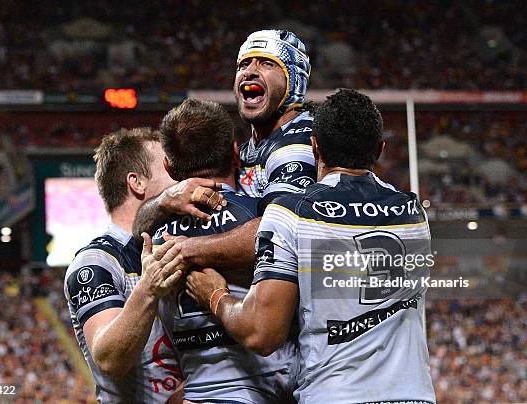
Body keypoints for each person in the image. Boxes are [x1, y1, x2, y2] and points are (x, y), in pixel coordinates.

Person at [185, 90, 437, 403]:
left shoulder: (292, 213)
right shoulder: (413, 214)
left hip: (335, 395)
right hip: (415, 396)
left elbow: (262, 333)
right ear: (380, 150)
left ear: (314, 146)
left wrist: (215, 295)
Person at [133, 29, 316, 272]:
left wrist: (185, 250)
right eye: (244, 64)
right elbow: (138, 229)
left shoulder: (299, 143)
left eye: (267, 63)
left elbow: (279, 235)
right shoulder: (252, 148)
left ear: (294, 79)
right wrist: (166, 200)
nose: (250, 71)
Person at [152, 98, 296, 403]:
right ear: (235, 152)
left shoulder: (153, 237)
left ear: (168, 166)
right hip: (267, 390)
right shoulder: (261, 217)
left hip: (198, 390)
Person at [64, 128, 186, 403]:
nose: (181, 175)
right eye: (168, 166)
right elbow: (109, 359)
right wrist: (149, 289)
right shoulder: (95, 261)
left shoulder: (173, 245)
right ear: (137, 183)